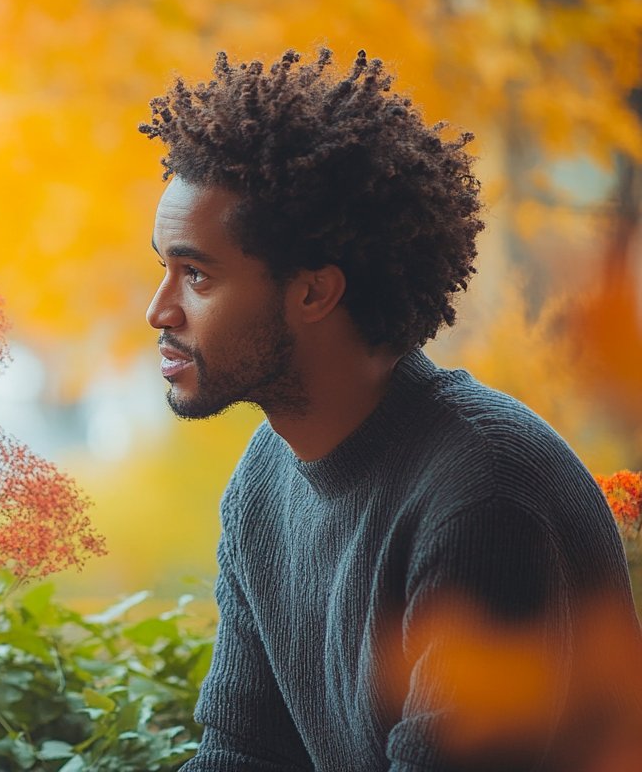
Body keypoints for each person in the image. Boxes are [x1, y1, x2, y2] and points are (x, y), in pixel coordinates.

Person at [138, 48, 640, 770]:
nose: (158, 311)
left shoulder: (484, 498)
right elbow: (243, 752)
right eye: (164, 269)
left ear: (313, 293)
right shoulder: (263, 483)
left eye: (196, 275)